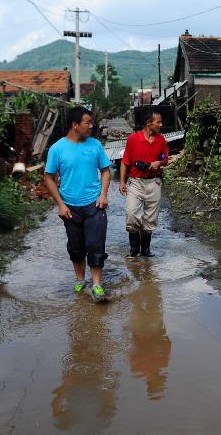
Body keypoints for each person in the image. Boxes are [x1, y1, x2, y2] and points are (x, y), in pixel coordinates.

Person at [43, 107, 112, 302]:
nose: (91, 126)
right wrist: (60, 204)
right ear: (75, 125)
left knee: (95, 244)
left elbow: (106, 171)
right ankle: (80, 280)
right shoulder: (57, 149)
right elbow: (49, 178)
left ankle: (97, 284)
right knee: (76, 247)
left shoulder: (95, 145)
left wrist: (103, 195)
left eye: (91, 122)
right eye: (87, 123)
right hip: (70, 207)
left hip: (94, 205)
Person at [119, 111, 169, 258]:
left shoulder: (161, 140)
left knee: (150, 218)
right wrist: (122, 181)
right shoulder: (133, 139)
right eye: (158, 122)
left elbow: (165, 159)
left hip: (154, 182)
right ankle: (134, 250)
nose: (161, 125)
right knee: (132, 213)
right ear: (149, 123)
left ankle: (145, 250)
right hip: (135, 182)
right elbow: (125, 162)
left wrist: (158, 163)